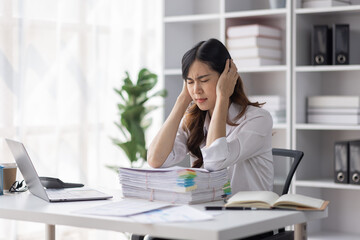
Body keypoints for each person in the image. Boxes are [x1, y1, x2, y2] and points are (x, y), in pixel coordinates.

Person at [147, 38, 274, 194]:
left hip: (249, 213)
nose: (196, 90)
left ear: (227, 77)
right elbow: (156, 159)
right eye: (190, 82)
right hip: (209, 210)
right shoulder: (194, 119)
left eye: (204, 80)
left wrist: (223, 97)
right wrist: (183, 99)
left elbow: (215, 161)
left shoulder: (259, 119)